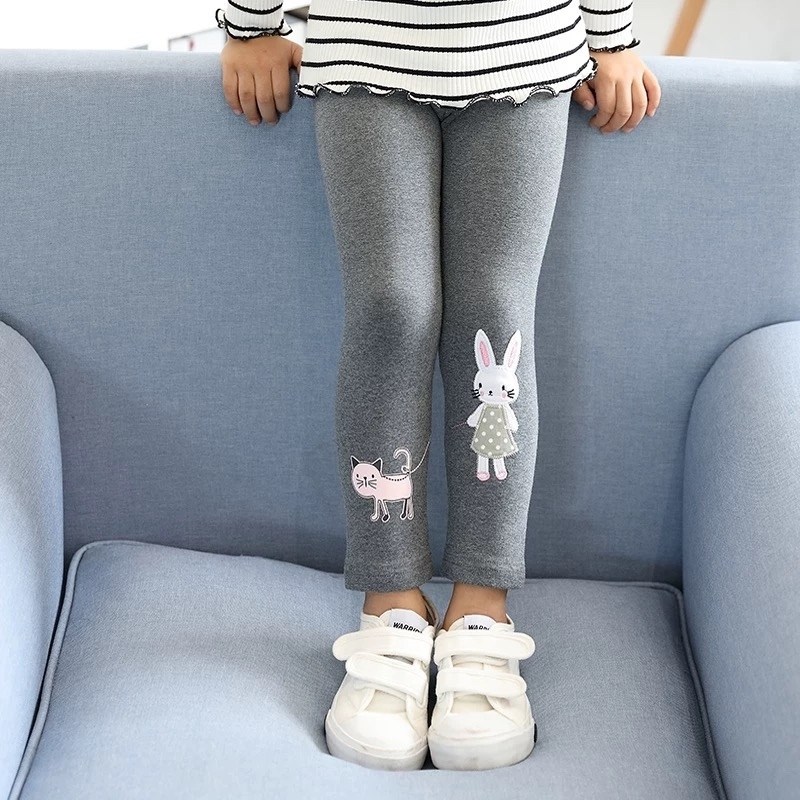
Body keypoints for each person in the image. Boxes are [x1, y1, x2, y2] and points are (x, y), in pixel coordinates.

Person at [217, 0, 661, 772]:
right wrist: (252, 26)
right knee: (391, 309)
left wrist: (612, 35)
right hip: (365, 47)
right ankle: (391, 599)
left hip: (524, 47)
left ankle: (482, 607)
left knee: (496, 319)